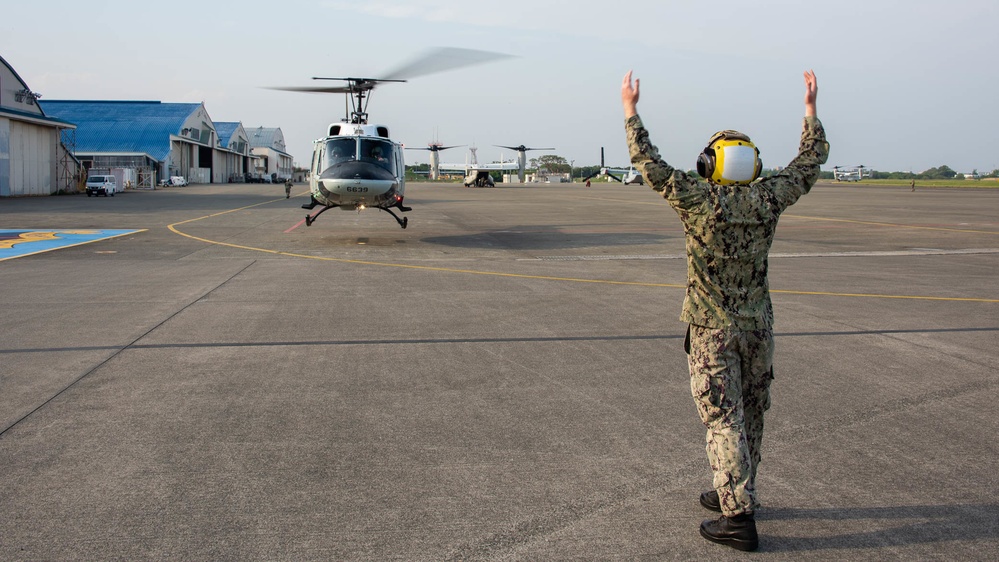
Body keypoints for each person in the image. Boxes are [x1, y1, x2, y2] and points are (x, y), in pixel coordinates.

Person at [621, 69, 829, 552]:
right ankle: (734, 489)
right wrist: (810, 111)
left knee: (723, 419)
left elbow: (648, 164)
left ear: (707, 164)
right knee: (752, 412)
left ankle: (738, 519)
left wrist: (630, 109)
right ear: (752, 166)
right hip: (757, 326)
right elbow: (809, 162)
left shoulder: (696, 199)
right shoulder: (768, 198)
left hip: (712, 329)